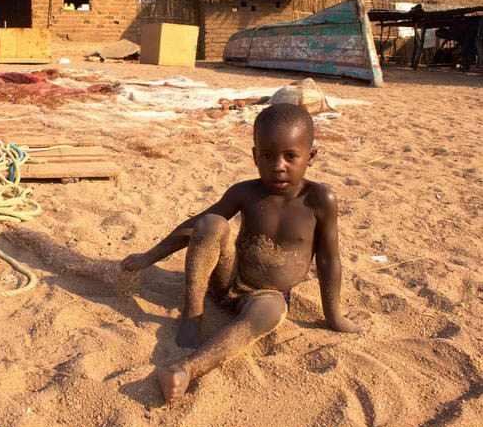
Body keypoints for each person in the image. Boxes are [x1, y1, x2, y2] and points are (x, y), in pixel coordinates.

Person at [120, 103, 359, 404]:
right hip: (226, 280)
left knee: (270, 312)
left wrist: (334, 315)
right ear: (255, 155)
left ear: (310, 156)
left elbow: (328, 259)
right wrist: (149, 257)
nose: (278, 165)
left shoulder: (320, 200)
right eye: (268, 156)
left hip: (267, 294)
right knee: (211, 223)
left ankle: (187, 369)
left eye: (290, 156)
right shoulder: (244, 192)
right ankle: (192, 317)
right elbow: (196, 225)